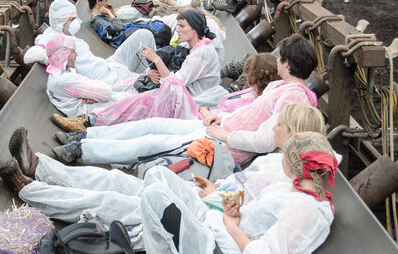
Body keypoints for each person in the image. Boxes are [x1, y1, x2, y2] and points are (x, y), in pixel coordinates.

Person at [0, 111, 337, 254]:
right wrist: (216, 194)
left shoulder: (305, 208)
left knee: (121, 199)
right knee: (148, 179)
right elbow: (246, 202)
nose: (273, 127)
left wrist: (230, 221)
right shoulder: (297, 186)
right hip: (210, 216)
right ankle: (42, 169)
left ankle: (31, 190)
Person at [50, 34, 318, 166]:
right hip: (215, 130)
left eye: (281, 57)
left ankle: (82, 152)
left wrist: (223, 132)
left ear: (287, 63)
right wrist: (220, 118)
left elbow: (264, 140)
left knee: (153, 141)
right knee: (151, 125)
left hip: (220, 146)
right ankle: (85, 138)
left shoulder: (292, 98)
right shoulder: (282, 87)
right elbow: (253, 118)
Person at [53, 9, 220, 128]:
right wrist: (150, 70)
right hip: (173, 93)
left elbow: (177, 83)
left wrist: (156, 60)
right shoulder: (190, 45)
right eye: (178, 25)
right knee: (133, 86)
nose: (178, 30)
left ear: (195, 28)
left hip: (188, 103)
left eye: (182, 26)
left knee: (136, 99)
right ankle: (94, 102)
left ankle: (88, 120)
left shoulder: (203, 53)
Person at [40, 0, 153, 87]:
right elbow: (34, 53)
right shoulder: (53, 40)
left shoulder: (66, 32)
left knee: (144, 34)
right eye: (72, 19)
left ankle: (147, 74)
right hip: (108, 81)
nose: (76, 23)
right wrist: (44, 55)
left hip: (109, 66)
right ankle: (147, 83)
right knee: (149, 82)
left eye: (76, 18)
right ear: (60, 22)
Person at [23, 33, 130, 118]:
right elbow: (106, 92)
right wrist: (93, 94)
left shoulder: (60, 73)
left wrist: (90, 95)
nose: (76, 55)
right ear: (64, 54)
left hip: (93, 106)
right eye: (73, 52)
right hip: (93, 113)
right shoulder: (64, 79)